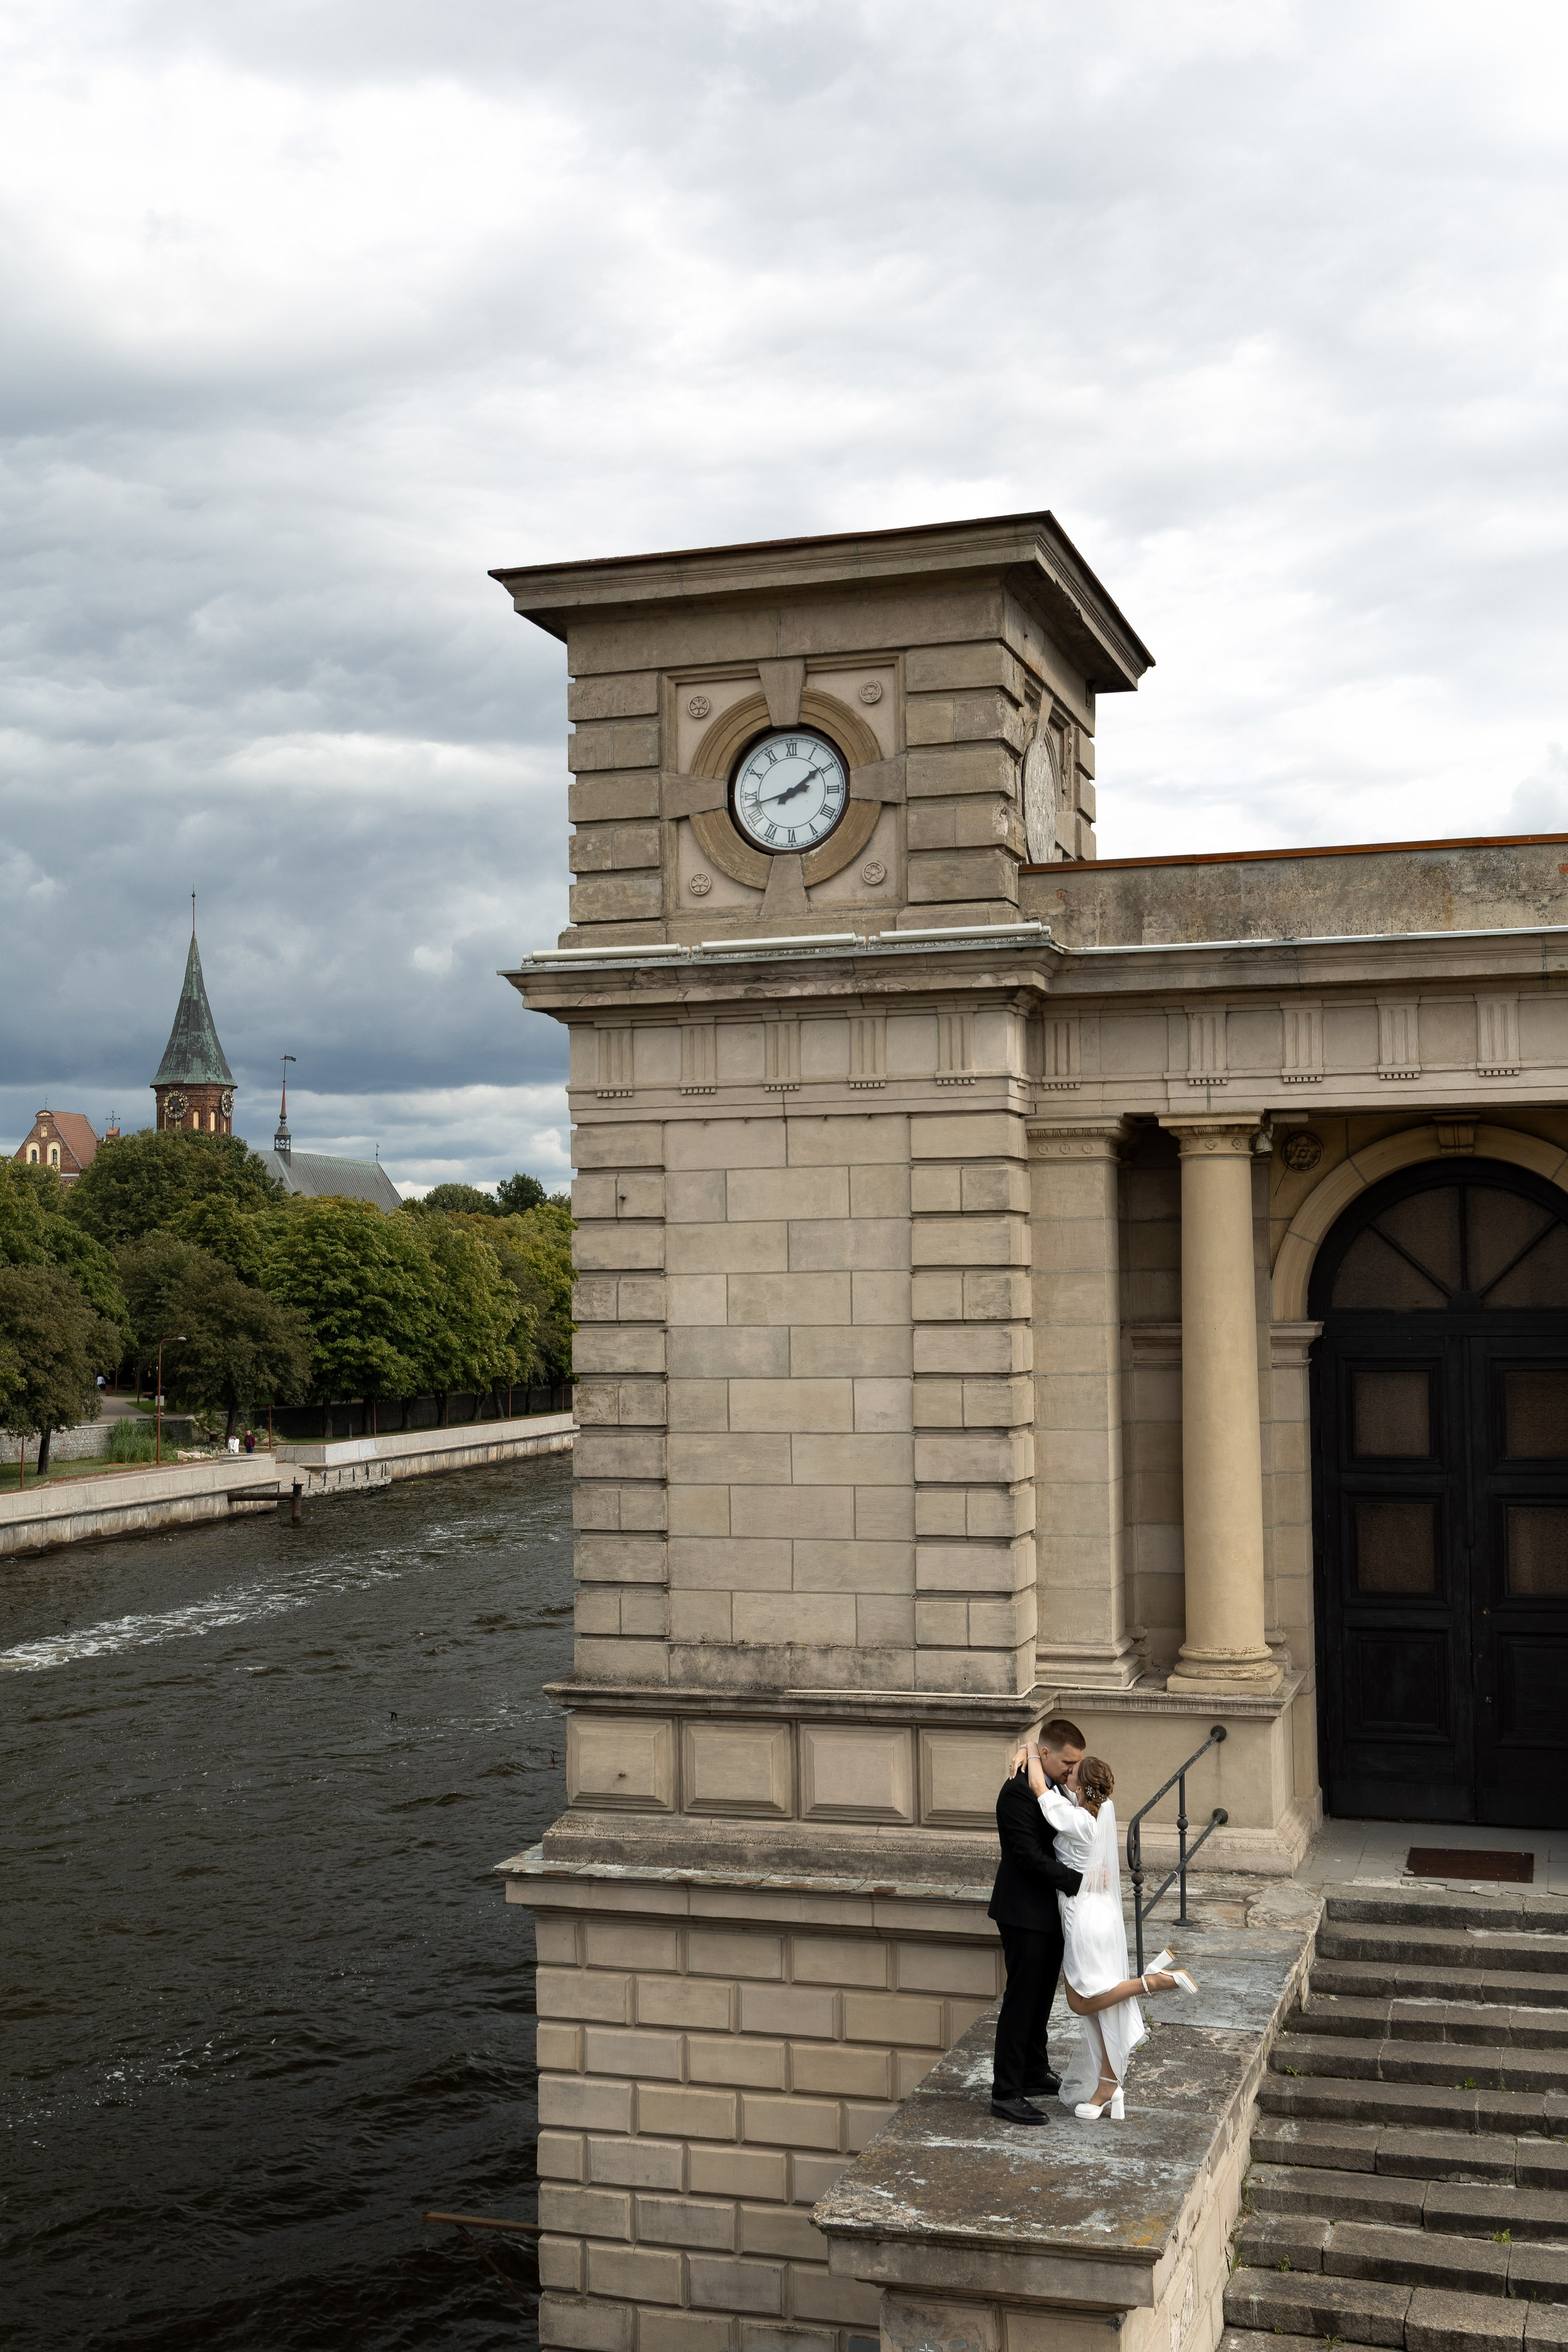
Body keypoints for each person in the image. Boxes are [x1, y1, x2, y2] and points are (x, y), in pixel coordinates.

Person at [1021, 1746, 1199, 2121]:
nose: (1066, 1774)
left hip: (1083, 1916)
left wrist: (1029, 1751)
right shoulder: (1098, 1816)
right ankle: (1109, 2084)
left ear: (1083, 1788)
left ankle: (1152, 1982)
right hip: (1102, 1913)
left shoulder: (1075, 1819)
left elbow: (1039, 1788)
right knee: (1099, 2005)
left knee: (1081, 2000)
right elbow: (1064, 1797)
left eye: (1072, 1773)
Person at [987, 1716, 1088, 2127]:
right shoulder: (1017, 1795)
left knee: (1042, 1996)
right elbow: (1028, 1857)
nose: (1072, 1771)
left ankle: (1033, 2069)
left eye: (1075, 1764)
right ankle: (1006, 2093)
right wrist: (1080, 1880)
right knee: (1021, 2001)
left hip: (1047, 1913)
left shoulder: (1051, 1781)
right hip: (1023, 1913)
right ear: (1046, 1755)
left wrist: (1028, 1749)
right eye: (1067, 1763)